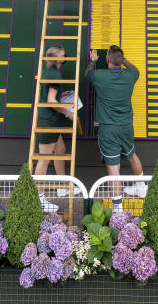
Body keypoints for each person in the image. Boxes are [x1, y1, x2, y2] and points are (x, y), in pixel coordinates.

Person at [86, 45, 148, 212]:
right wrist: (124, 60)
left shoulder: (99, 75)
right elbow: (137, 70)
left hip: (108, 130)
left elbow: (88, 73)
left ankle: (118, 208)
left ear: (106, 60)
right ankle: (141, 187)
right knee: (132, 155)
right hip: (126, 126)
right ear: (121, 61)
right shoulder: (130, 75)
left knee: (113, 167)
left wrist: (93, 61)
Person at [34, 45, 75, 212]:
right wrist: (68, 113)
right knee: (44, 159)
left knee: (60, 149)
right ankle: (39, 198)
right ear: (58, 58)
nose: (66, 55)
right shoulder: (55, 73)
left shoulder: (49, 70)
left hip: (48, 119)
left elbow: (50, 94)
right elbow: (51, 101)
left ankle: (63, 186)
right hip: (47, 120)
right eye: (63, 54)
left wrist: (61, 94)